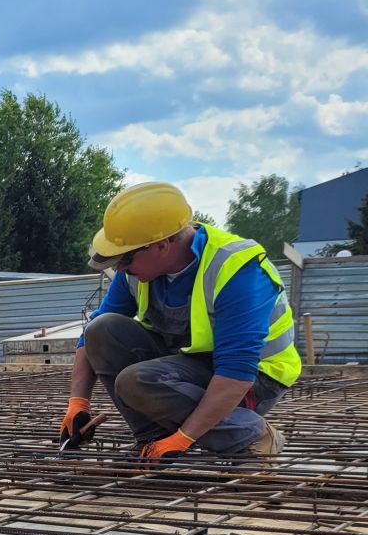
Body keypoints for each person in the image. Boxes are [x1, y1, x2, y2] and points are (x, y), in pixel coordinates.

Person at [58, 181, 298, 460]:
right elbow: (91, 336)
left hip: (255, 380)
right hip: (190, 368)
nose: (120, 268)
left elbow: (236, 370)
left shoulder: (236, 270)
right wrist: (78, 402)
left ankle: (252, 435)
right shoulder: (135, 273)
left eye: (124, 260)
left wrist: (184, 438)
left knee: (136, 381)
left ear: (161, 246)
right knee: (102, 329)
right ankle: (154, 441)